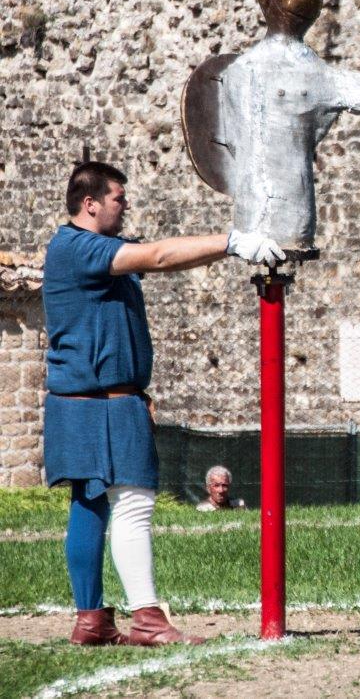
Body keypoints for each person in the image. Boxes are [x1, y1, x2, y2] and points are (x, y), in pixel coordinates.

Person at [43, 161, 283, 646]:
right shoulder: (81, 248)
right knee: (133, 504)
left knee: (88, 505)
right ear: (90, 204)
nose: (124, 204)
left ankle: (91, 622)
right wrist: (232, 242)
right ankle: (148, 620)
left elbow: (149, 265)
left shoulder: (79, 249)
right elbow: (156, 257)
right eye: (117, 197)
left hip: (90, 399)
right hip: (103, 404)